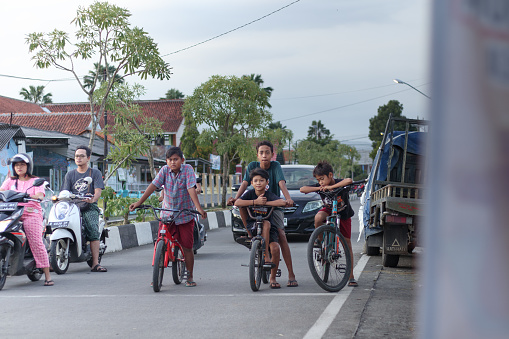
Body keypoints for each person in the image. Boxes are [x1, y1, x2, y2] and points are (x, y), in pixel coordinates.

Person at [129, 146, 207, 287]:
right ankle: (157, 275)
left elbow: (191, 189)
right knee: (160, 242)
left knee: (187, 247)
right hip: (167, 214)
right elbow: (153, 186)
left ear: (182, 160)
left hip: (184, 214)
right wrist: (139, 202)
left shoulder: (188, 169)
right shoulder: (164, 170)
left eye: (176, 159)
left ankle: (189, 276)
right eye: (170, 160)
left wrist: (199, 209)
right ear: (166, 161)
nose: (173, 162)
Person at [227, 140, 298, 288]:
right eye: (261, 152)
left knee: (281, 235)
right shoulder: (252, 166)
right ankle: (251, 234)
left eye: (267, 152)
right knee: (241, 206)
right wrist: (236, 198)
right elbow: (245, 183)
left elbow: (281, 183)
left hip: (272, 205)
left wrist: (288, 198)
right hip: (255, 205)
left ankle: (291, 274)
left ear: (272, 154)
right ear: (257, 154)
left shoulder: (276, 166)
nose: (264, 155)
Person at [299, 160, 358, 287]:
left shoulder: (338, 183)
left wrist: (331, 187)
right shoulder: (320, 186)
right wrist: (318, 188)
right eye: (318, 180)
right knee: (318, 217)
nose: (321, 182)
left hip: (343, 214)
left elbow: (349, 180)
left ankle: (351, 275)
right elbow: (302, 189)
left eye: (322, 179)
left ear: (330, 175)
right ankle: (320, 241)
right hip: (328, 210)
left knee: (347, 243)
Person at [0, 153, 53, 286]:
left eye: (22, 165)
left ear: (28, 166)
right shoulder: (10, 181)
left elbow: (40, 195)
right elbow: (1, 191)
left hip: (30, 213)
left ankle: (47, 276)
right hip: (11, 212)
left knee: (35, 241)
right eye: (16, 165)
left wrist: (29, 195)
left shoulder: (35, 181)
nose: (19, 167)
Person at [235, 168, 287, 289]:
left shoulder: (269, 195)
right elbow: (237, 202)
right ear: (251, 183)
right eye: (255, 181)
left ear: (267, 182)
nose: (258, 183)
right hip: (253, 225)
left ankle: (273, 278)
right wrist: (255, 202)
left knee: (275, 248)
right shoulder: (250, 194)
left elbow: (281, 202)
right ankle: (264, 254)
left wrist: (265, 203)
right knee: (263, 221)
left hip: (270, 228)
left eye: (261, 180)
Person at [62, 145, 106, 272]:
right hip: (72, 206)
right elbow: (64, 191)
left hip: (88, 206)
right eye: (76, 156)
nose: (79, 158)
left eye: (82, 156)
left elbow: (98, 191)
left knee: (92, 229)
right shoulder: (70, 175)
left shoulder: (95, 173)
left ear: (88, 158)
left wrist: (93, 199)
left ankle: (95, 263)